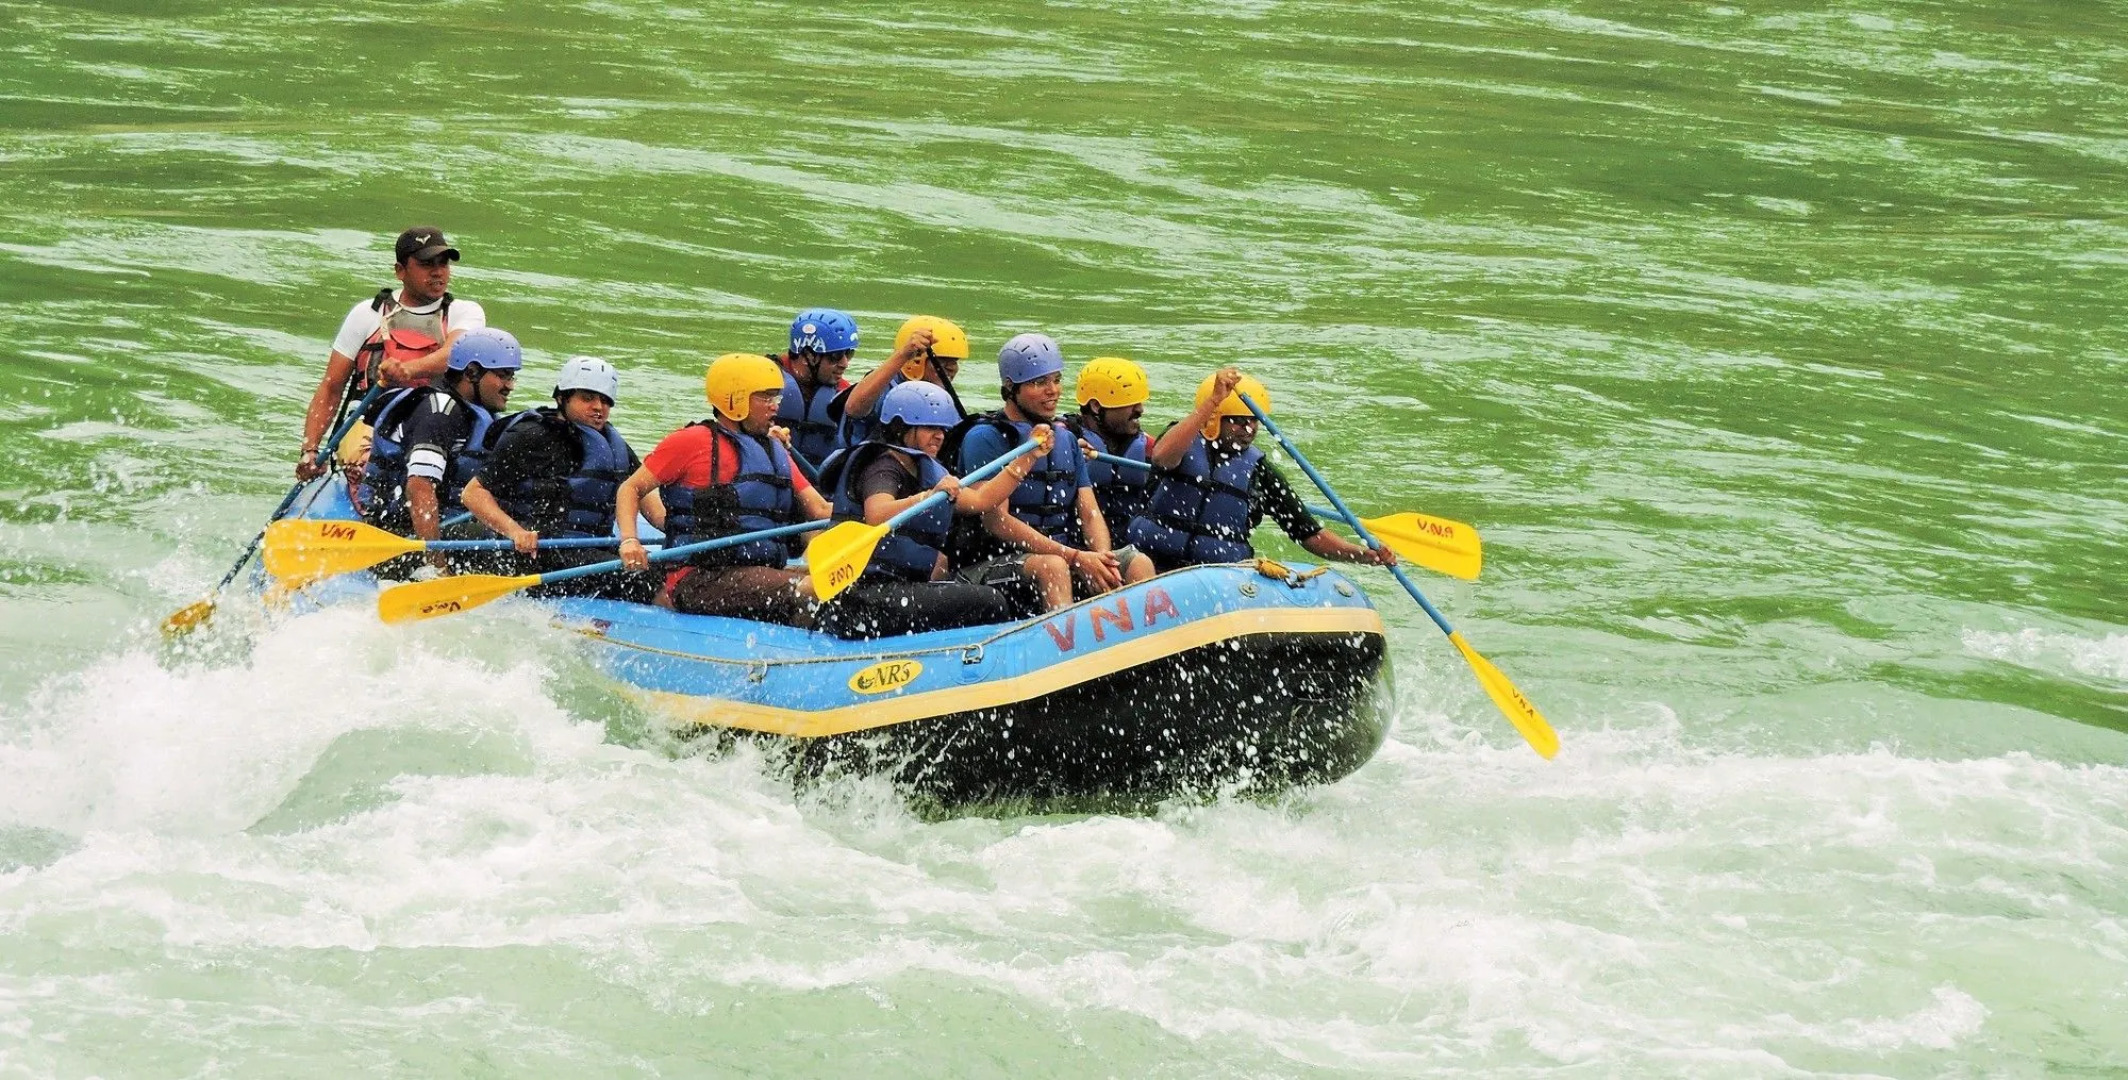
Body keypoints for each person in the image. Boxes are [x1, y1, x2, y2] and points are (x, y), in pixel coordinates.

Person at [614, 353, 832, 626]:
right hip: (700, 577)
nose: (775, 407)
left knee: (837, 582)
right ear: (735, 400)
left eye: (776, 397)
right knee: (813, 588)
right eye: (765, 397)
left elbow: (821, 509)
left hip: (759, 571)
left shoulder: (774, 449)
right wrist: (630, 541)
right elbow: (630, 488)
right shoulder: (691, 442)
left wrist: (890, 514)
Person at [816, 381, 1044, 639]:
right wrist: (928, 496)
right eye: (930, 428)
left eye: (942, 429)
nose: (940, 435)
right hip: (861, 598)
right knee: (990, 601)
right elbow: (877, 514)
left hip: (895, 589)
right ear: (901, 427)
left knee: (985, 597)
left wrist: (1028, 458)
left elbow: (981, 500)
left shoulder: (925, 469)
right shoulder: (883, 467)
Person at [950, 333, 1154, 613]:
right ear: (1011, 388)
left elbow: (1090, 512)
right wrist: (1073, 556)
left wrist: (1100, 558)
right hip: (994, 563)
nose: (1053, 390)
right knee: (1052, 567)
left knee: (1135, 562)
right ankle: (1066, 649)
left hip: (1065, 555)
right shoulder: (986, 437)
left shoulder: (1065, 439)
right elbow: (998, 523)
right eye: (1039, 382)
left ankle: (1142, 648)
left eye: (1056, 380)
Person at [1128, 369, 1398, 572]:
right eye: (1238, 422)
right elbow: (1162, 458)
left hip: (1219, 576)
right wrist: (1212, 403)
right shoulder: (1181, 440)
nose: (1249, 430)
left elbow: (1310, 535)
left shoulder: (1260, 473)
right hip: (1155, 564)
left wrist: (1362, 554)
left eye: (1253, 422)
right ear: (1214, 419)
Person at [457, 357, 664, 601]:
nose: (599, 407)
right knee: (646, 577)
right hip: (543, 551)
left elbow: (644, 498)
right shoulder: (531, 436)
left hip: (593, 547)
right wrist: (515, 532)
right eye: (587, 398)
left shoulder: (611, 441)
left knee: (664, 569)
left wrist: (677, 525)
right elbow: (473, 493)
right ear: (562, 398)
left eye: (605, 400)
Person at [296, 227, 488, 480]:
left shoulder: (465, 312)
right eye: (426, 264)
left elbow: (454, 353)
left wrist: (408, 370)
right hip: (371, 423)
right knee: (361, 464)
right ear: (400, 271)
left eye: (443, 263)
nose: (438, 271)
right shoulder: (367, 314)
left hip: (438, 424)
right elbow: (332, 386)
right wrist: (310, 450)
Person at [355, 327, 522, 575]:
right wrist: (435, 566)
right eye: (503, 376)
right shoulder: (439, 414)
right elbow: (420, 486)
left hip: (444, 523)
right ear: (472, 373)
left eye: (511, 377)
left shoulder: (474, 412)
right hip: (398, 533)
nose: (510, 386)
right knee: (494, 542)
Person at [835, 315, 969, 449]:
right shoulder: (884, 385)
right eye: (943, 360)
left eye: (954, 361)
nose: (952, 368)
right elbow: (853, 408)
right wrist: (904, 354)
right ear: (916, 358)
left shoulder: (942, 398)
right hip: (876, 465)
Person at [1067, 356, 1157, 539]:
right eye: (1130, 403)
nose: (1140, 410)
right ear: (1096, 406)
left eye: (1140, 402)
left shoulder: (1149, 448)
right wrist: (1063, 454)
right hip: (1076, 544)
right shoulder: (1062, 440)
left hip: (1131, 546)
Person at [773, 308, 858, 470]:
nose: (845, 363)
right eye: (836, 356)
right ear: (808, 355)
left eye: (849, 353)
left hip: (819, 483)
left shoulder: (845, 396)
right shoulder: (762, 381)